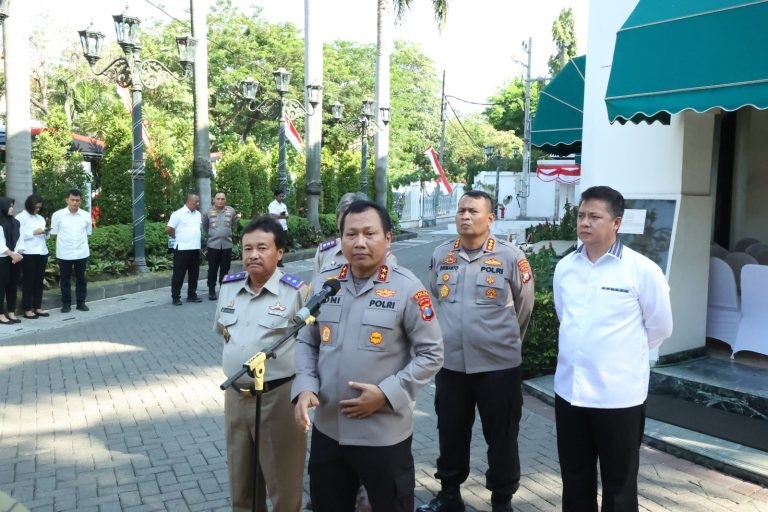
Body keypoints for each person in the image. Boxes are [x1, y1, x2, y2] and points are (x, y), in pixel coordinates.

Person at [293, 199, 444, 512]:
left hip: (383, 435)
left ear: (388, 239)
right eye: (351, 234)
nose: (359, 242)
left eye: (369, 233)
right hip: (329, 431)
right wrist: (305, 386)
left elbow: (432, 354)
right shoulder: (325, 283)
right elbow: (306, 340)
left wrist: (387, 394)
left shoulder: (408, 289)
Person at [552, 186, 673, 512]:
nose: (585, 223)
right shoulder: (566, 268)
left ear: (616, 222)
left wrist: (621, 354)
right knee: (575, 478)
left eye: (595, 216)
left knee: (619, 485)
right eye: (581, 215)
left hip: (618, 397)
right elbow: (566, 317)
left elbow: (660, 326)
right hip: (570, 393)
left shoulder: (642, 270)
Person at [418, 190, 535, 512]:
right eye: (461, 211)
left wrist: (503, 342)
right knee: (450, 433)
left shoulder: (511, 257)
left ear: (490, 218)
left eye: (473, 211)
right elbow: (434, 298)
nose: (465, 216)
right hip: (452, 366)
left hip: (499, 367)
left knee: (502, 438)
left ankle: (502, 500)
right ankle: (450, 494)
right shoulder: (442, 254)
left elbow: (524, 307)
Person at [216, 215, 308, 512]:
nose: (253, 255)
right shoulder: (228, 288)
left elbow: (311, 347)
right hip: (236, 399)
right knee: (242, 485)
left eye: (262, 248)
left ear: (279, 253)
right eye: (247, 249)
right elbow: (225, 335)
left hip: (278, 398)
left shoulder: (296, 293)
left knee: (283, 486)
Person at [50, 189, 92, 313]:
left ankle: (81, 303)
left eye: (77, 200)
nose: (75, 203)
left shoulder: (85, 215)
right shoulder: (58, 215)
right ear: (67, 200)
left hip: (81, 252)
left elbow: (88, 233)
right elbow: (54, 234)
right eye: (72, 200)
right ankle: (66, 304)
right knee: (65, 280)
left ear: (81, 201)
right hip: (64, 253)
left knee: (81, 279)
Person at [17, 194, 50, 319]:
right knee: (28, 281)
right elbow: (18, 235)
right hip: (28, 253)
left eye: (39, 208)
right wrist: (33, 233)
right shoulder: (21, 217)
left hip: (42, 252)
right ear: (29, 206)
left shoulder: (40, 218)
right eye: (35, 207)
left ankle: (37, 306)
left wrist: (46, 232)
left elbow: (45, 236)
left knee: (38, 281)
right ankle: (27, 309)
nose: (37, 210)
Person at [166, 194, 202, 305]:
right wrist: (177, 237)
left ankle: (192, 295)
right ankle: (176, 297)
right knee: (179, 274)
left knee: (194, 274)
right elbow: (169, 229)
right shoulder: (178, 214)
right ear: (189, 201)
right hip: (181, 248)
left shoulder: (198, 214)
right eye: (196, 201)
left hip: (195, 248)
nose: (198, 203)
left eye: (198, 201)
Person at [203, 191, 237, 300]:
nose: (220, 201)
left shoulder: (231, 211)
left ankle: (223, 289)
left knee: (225, 269)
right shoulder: (208, 212)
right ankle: (211, 290)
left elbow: (234, 225)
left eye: (223, 199)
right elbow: (205, 226)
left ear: (225, 200)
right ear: (214, 200)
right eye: (218, 198)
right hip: (213, 245)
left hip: (227, 245)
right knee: (212, 269)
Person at [0, 197, 24, 324]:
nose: (11, 208)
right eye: (9, 206)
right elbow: (0, 244)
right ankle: (0, 315)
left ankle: (11, 312)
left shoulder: (16, 223)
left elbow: (20, 239)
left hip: (14, 259)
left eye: (12, 206)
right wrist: (11, 255)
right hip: (2, 259)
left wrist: (18, 254)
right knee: (1, 287)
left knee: (12, 286)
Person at [268, 190, 288, 268]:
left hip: (284, 227)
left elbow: (287, 216)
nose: (282, 198)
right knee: (275, 244)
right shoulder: (272, 205)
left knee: (283, 245)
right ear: (275, 196)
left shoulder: (283, 205)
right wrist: (282, 215)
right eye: (280, 196)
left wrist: (279, 215)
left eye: (283, 196)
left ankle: (280, 261)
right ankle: (274, 261)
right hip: (275, 227)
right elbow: (272, 216)